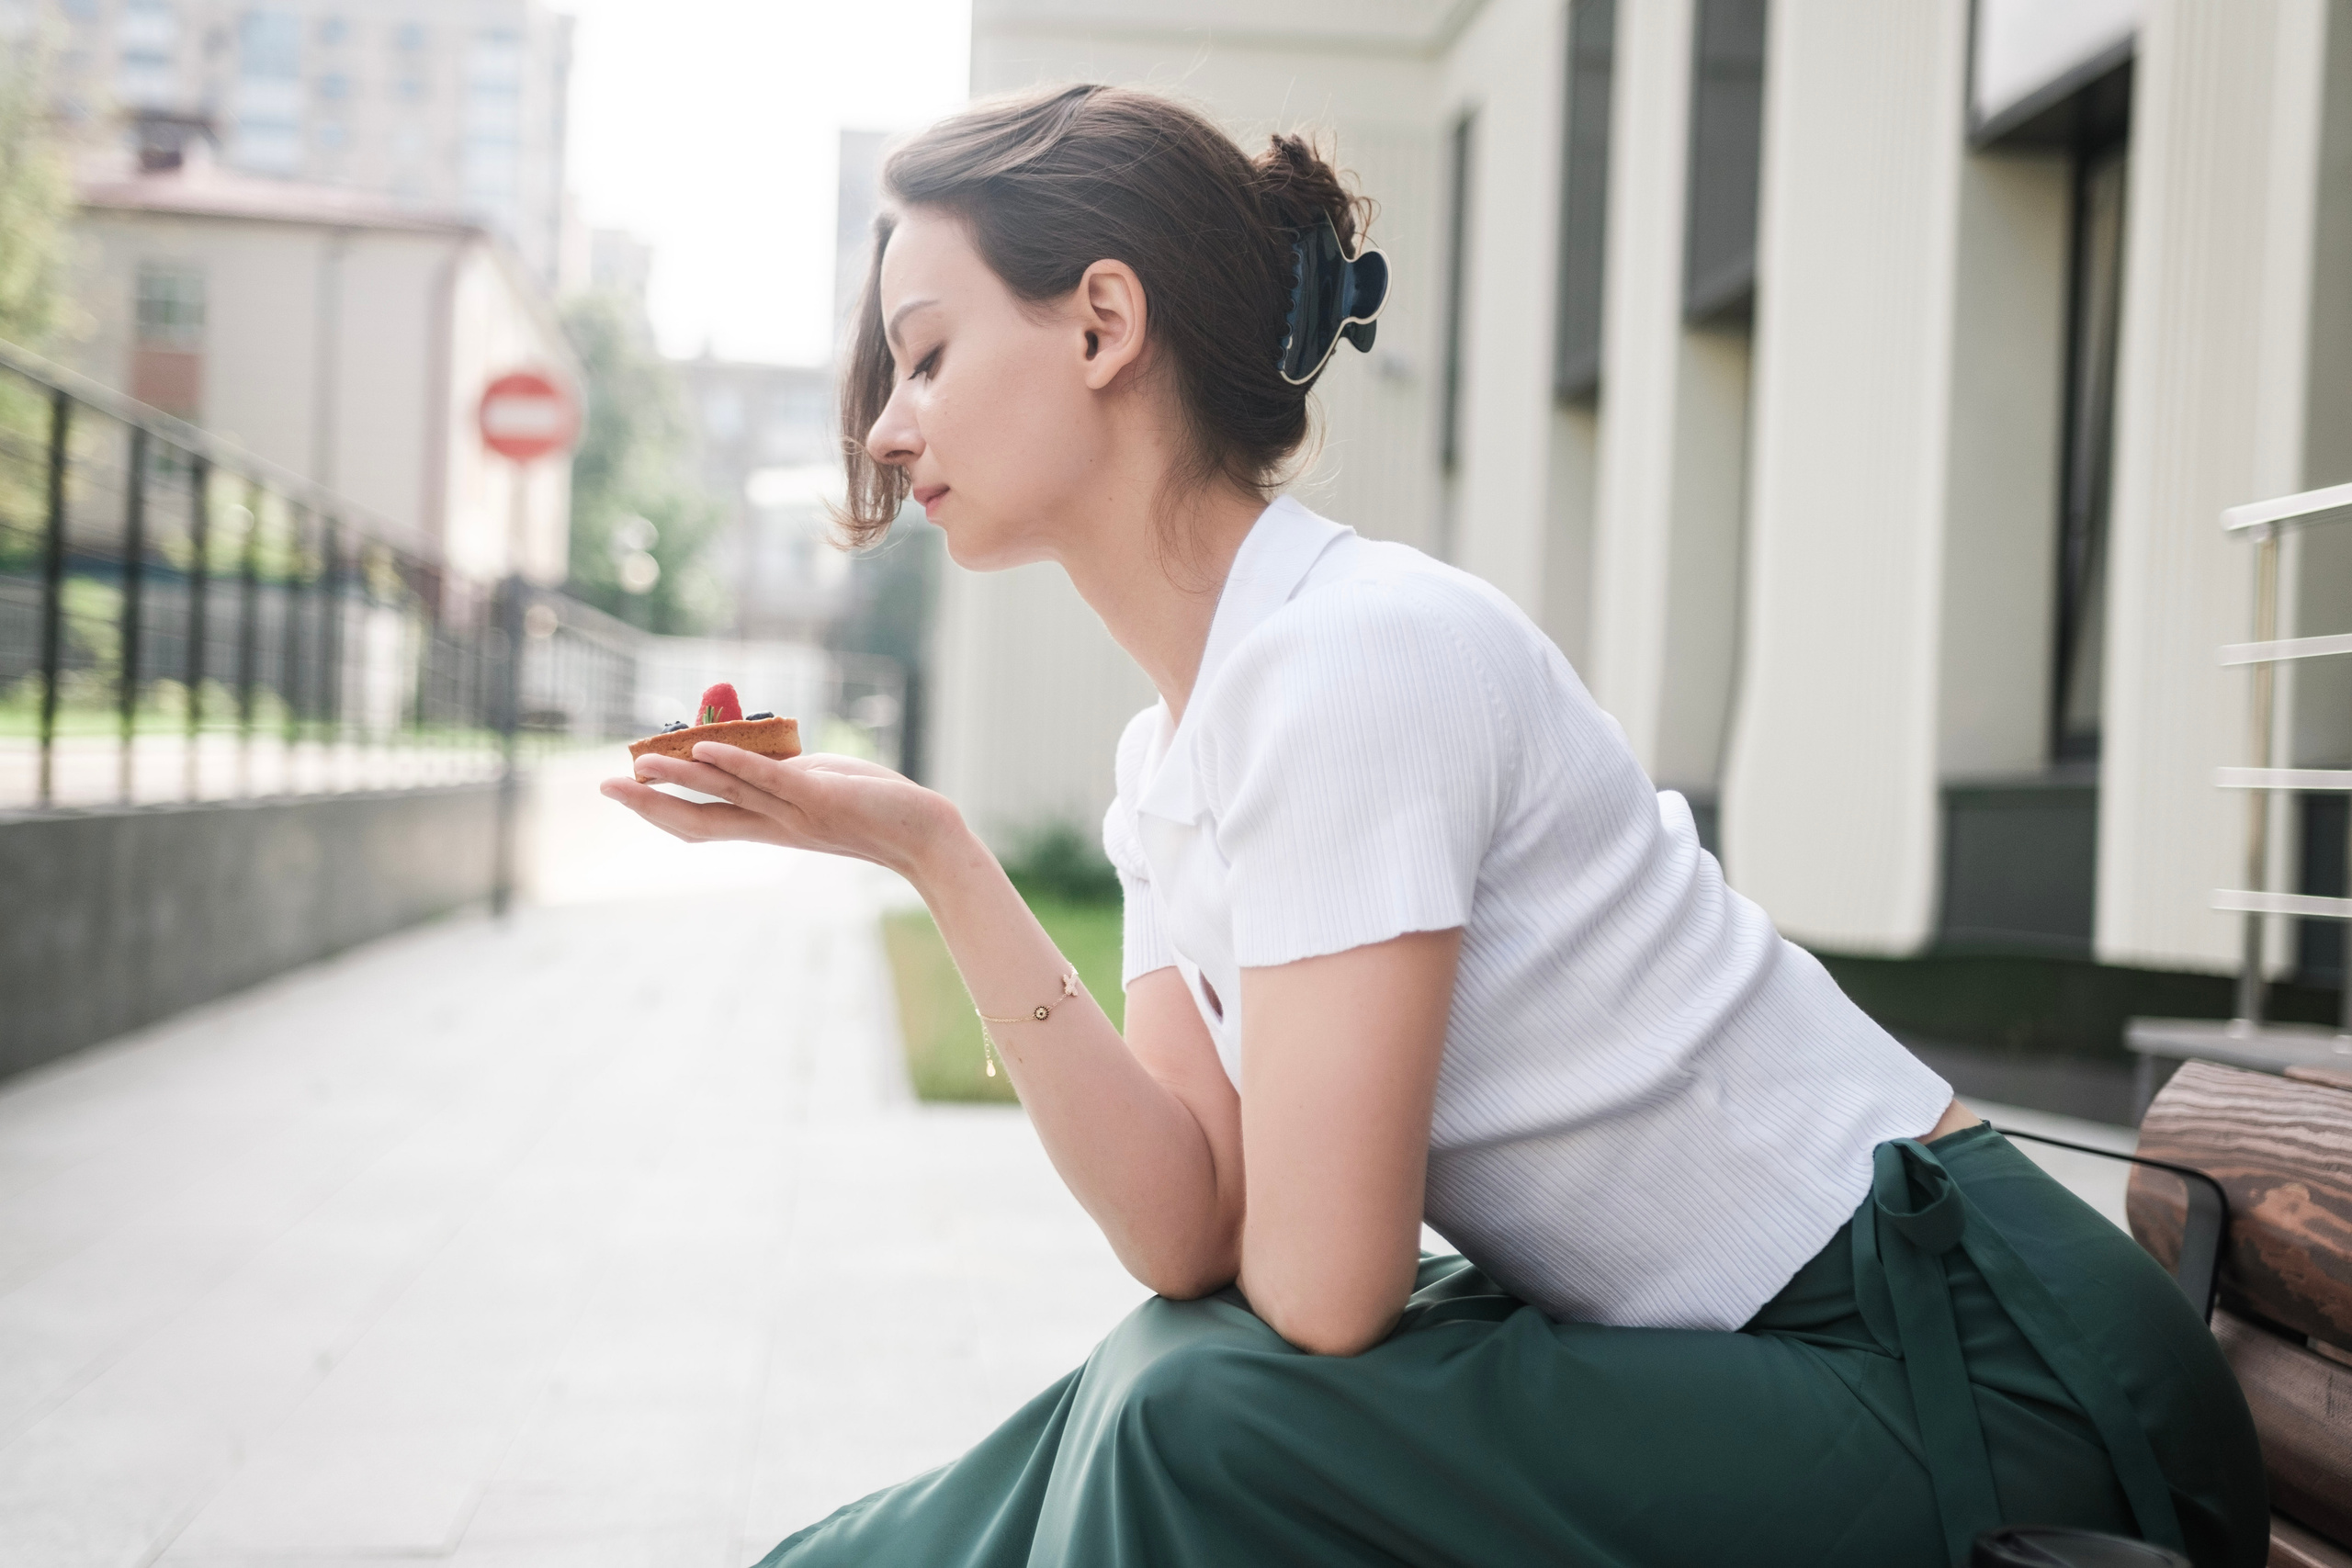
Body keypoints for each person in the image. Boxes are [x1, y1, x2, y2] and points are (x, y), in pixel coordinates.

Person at [601, 84, 2265, 1568]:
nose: (891, 423)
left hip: (2001, 1392)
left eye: (930, 349)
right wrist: (937, 857)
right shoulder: (1175, 759)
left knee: (1201, 1420)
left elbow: (1325, 1293)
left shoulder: (1360, 662)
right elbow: (1188, 1232)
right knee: (1163, 1378)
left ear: (1103, 322)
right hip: (1779, 1361)